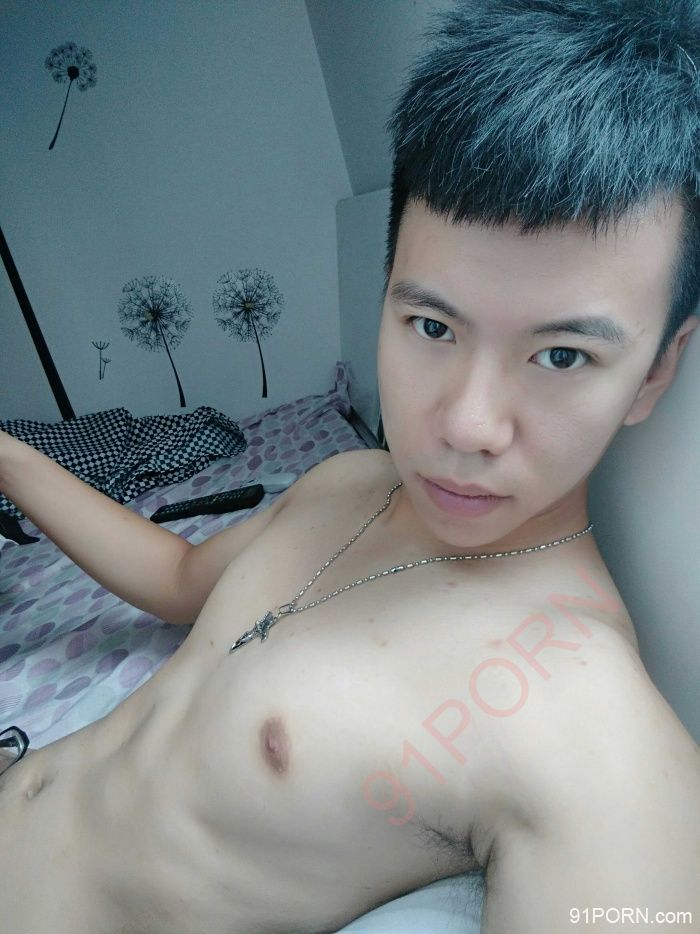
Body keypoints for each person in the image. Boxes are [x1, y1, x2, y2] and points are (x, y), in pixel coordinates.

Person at [2, 1, 699, 931]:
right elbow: (176, 579)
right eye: (432, 326)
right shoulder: (349, 483)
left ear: (654, 372)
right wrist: (8, 456)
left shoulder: (585, 726)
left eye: (562, 355)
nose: (466, 425)